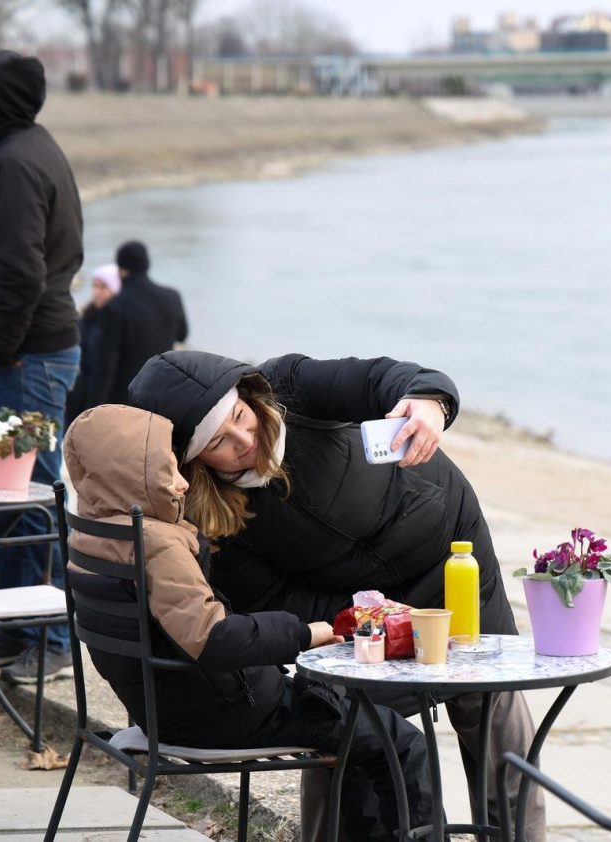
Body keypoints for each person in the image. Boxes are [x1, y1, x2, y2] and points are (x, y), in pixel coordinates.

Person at [128, 351, 546, 839]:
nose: (244, 440)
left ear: (248, 397)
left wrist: (427, 400)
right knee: (347, 716)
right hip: (360, 608)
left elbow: (380, 378)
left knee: (490, 701)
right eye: (218, 441)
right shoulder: (211, 514)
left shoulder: (289, 387)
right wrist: (372, 621)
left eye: (240, 416)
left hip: (449, 553)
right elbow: (274, 597)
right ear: (193, 460)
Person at [64, 404, 434, 841]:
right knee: (400, 742)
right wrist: (305, 632)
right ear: (132, 475)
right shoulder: (156, 543)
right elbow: (212, 637)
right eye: (166, 470)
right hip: (227, 714)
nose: (183, 482)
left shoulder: (93, 530)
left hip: (165, 709)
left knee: (358, 724)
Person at [0, 49, 82, 682]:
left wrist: (2, 346)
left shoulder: (15, 164)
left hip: (28, 357)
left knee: (33, 497)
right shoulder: (26, 150)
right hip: (30, 352)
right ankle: (17, 623)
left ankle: (53, 637)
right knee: (13, 495)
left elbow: (24, 271)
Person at [89, 240, 188, 407]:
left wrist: (95, 404)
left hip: (126, 397)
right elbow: (182, 334)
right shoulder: (172, 297)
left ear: (121, 269)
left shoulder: (114, 307)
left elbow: (106, 363)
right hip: (162, 391)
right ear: (146, 264)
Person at [64, 263, 120, 427]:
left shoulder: (119, 321)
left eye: (103, 287)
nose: (97, 292)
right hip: (84, 389)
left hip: (111, 393)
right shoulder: (87, 318)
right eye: (95, 286)